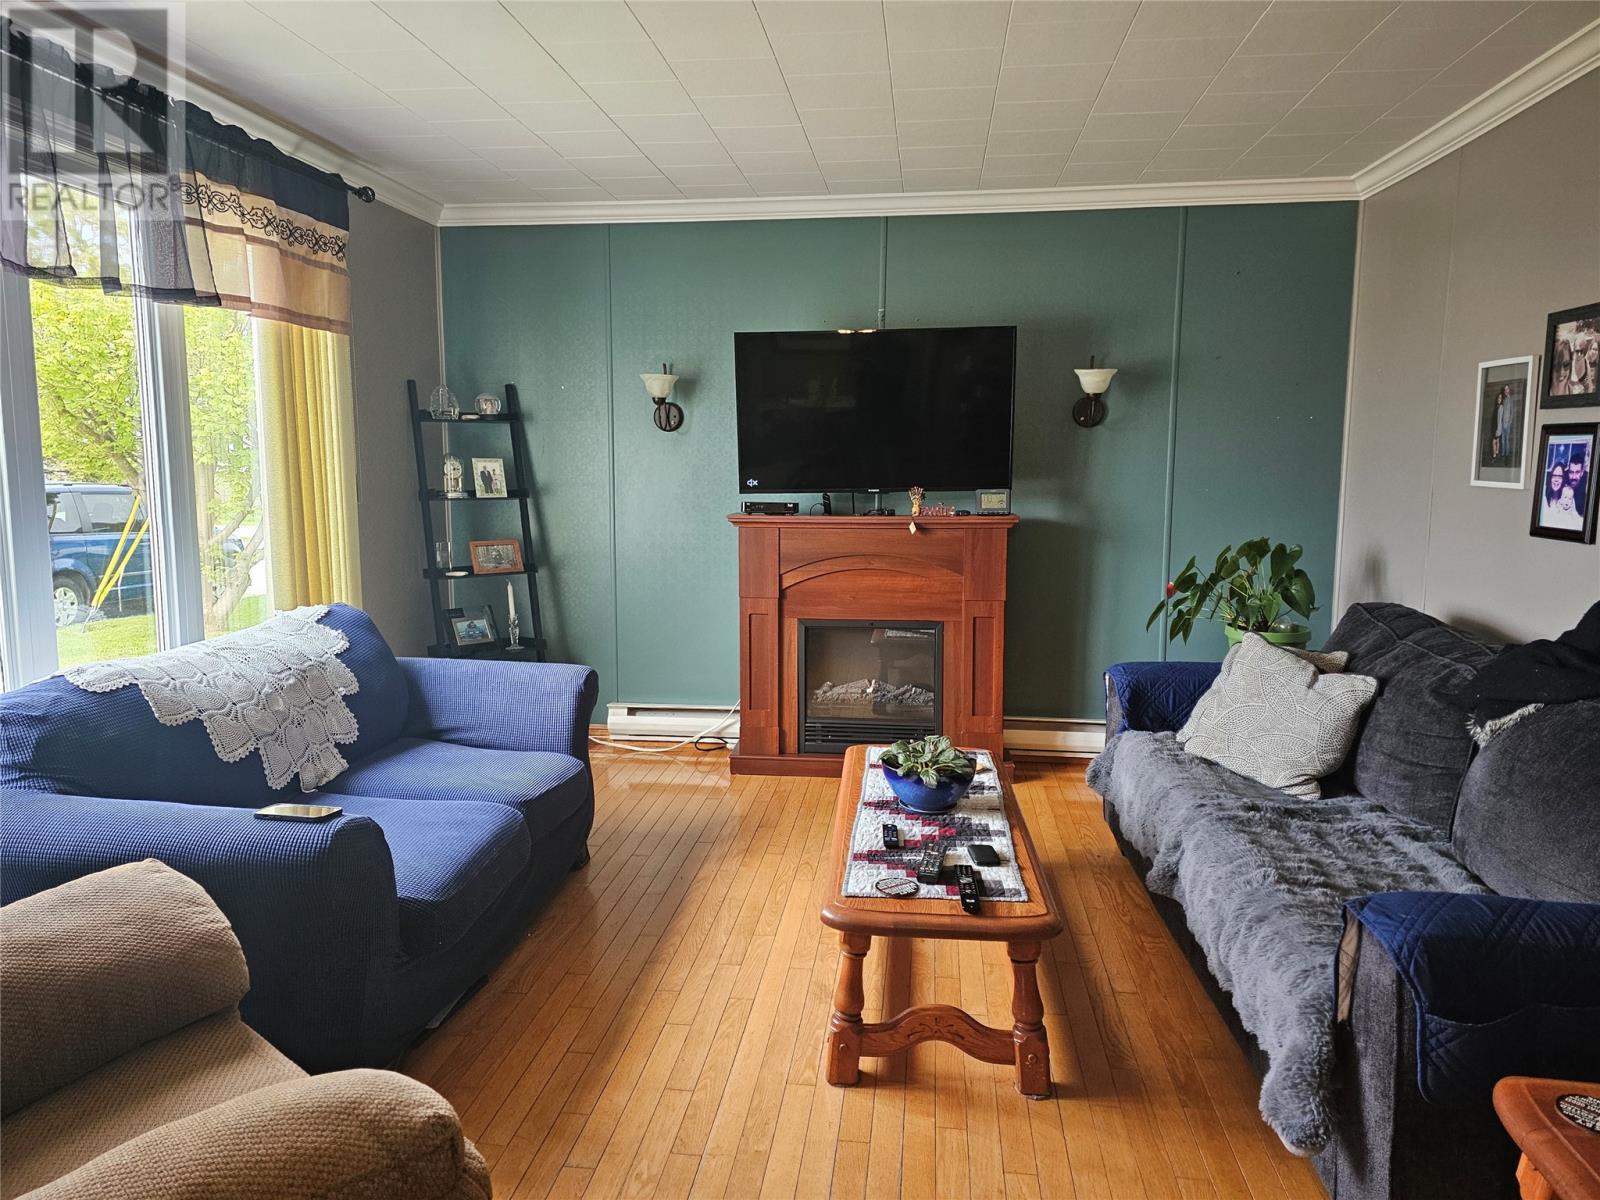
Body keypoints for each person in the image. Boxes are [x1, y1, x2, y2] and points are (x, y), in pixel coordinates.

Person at [1543, 459, 1584, 531]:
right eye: (1554, 475)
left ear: (1563, 479)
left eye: (1559, 476)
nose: (1556, 479)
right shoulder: (1544, 496)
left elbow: (1577, 519)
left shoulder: (1568, 496)